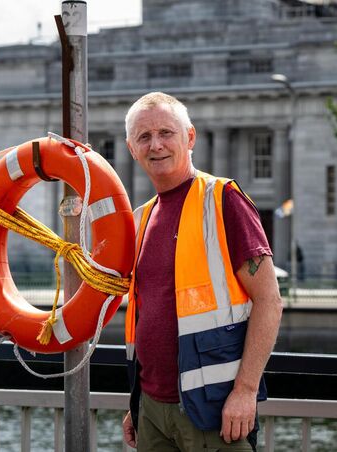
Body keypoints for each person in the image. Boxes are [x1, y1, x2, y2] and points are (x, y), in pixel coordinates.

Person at [121, 92, 283, 451]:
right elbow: (148, 314)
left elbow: (269, 301)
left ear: (189, 137)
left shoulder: (223, 199)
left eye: (166, 132)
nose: (156, 145)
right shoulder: (140, 219)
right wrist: (138, 403)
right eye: (144, 137)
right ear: (131, 148)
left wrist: (245, 391)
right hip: (152, 410)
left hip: (214, 412)